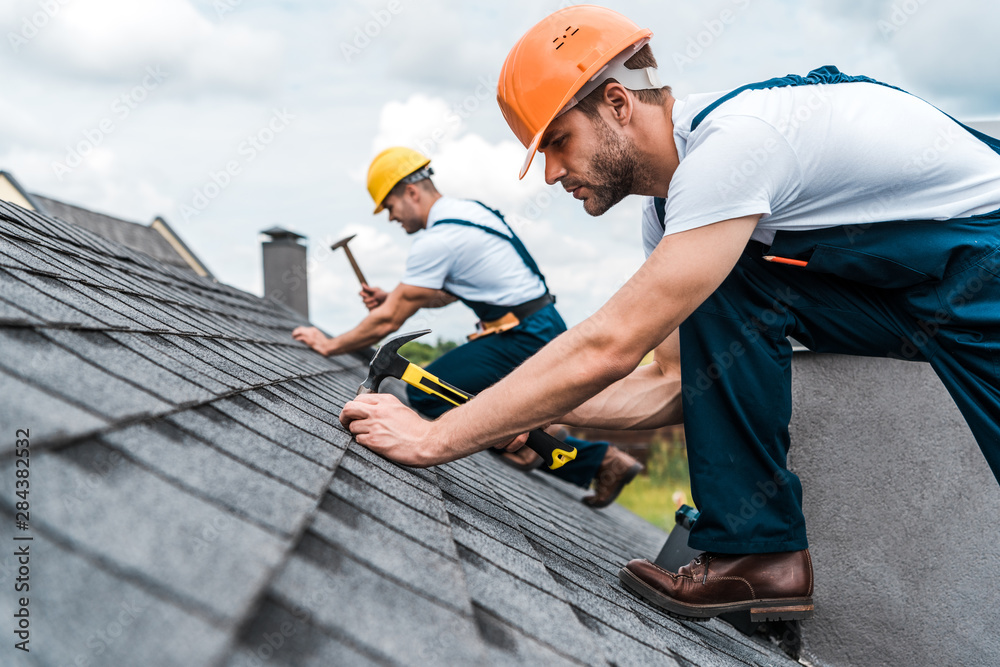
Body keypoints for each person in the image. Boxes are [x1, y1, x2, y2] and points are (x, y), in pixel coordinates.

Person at [339, 5, 1000, 623]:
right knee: (729, 280)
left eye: (558, 142)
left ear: (618, 104)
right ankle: (759, 551)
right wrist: (525, 414)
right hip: (914, 294)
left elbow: (610, 345)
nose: (550, 174)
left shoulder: (734, 149)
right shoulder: (678, 219)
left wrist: (438, 435)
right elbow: (672, 384)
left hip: (984, 268)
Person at [292, 146, 643, 507]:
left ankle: (542, 442)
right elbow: (445, 294)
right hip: (537, 325)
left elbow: (389, 320)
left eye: (390, 207)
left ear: (411, 192)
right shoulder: (469, 213)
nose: (392, 218)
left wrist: (329, 344)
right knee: (474, 399)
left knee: (427, 393)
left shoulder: (438, 238)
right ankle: (567, 447)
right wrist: (394, 296)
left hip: (522, 335)